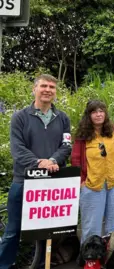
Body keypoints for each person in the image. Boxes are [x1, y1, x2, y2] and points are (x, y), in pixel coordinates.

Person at [0, 74, 72, 269]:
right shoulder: (20, 117)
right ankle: (4, 264)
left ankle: (40, 265)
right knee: (13, 231)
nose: (48, 90)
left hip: (51, 183)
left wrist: (53, 160)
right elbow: (17, 149)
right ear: (34, 89)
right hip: (23, 181)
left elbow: (66, 146)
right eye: (44, 86)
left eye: (52, 87)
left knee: (45, 231)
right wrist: (39, 163)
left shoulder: (63, 118)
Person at [72, 100, 114, 246]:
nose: (98, 115)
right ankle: (91, 258)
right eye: (94, 112)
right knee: (92, 224)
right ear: (89, 115)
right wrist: (81, 180)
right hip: (92, 184)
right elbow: (76, 159)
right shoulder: (83, 135)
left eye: (101, 111)